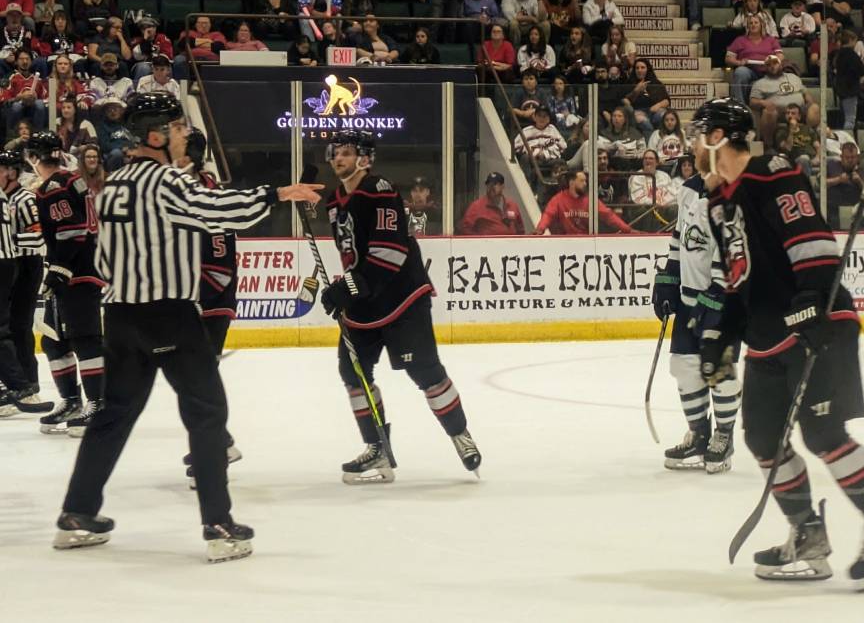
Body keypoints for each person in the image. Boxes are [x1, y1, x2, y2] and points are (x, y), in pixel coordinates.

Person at [53, 92, 323, 561]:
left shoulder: (112, 186)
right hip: (169, 317)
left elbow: (102, 257)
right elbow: (222, 212)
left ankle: (76, 514)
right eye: (177, 129)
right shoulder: (166, 182)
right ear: (155, 135)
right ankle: (219, 525)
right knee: (206, 412)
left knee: (113, 415)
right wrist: (278, 192)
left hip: (119, 317)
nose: (182, 136)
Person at [689, 98, 864, 589]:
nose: (692, 145)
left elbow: (812, 243)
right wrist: (723, 333)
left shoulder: (774, 172)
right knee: (762, 440)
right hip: (770, 338)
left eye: (699, 134)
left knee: (824, 435)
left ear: (720, 138)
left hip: (819, 326)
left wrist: (812, 300)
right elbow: (738, 278)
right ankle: (808, 534)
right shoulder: (717, 201)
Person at [319, 130, 482, 485]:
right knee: (354, 374)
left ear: (364, 158)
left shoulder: (380, 191)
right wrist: (345, 289)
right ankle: (376, 446)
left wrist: (343, 288)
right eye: (335, 152)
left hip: (400, 297)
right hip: (364, 301)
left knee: (425, 373)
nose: (338, 159)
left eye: (346, 152)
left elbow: (389, 254)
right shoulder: (333, 201)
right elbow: (353, 256)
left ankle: (459, 434)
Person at [651, 154, 740, 473]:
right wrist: (668, 279)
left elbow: (733, 251)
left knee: (718, 369)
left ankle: (724, 436)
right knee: (684, 366)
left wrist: (715, 296)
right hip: (690, 301)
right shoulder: (688, 189)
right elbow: (679, 238)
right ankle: (700, 435)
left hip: (722, 301)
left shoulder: (735, 195)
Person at [22, 130, 100, 436]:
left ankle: (98, 403)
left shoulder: (54, 187)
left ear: (36, 157)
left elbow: (72, 231)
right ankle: (71, 401)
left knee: (85, 339)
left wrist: (59, 270)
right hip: (71, 271)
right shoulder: (71, 179)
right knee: (53, 340)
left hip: (77, 274)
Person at [180, 128, 244, 486]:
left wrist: (196, 300)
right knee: (192, 379)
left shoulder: (209, 192)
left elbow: (220, 262)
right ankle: (219, 442)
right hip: (192, 298)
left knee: (197, 379)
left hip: (210, 301)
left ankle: (217, 449)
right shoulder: (182, 188)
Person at [0, 147, 51, 416]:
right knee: (10, 325)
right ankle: (13, 384)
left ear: (11, 172)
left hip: (26, 266)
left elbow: (36, 237)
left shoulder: (24, 199)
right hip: (13, 264)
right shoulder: (6, 197)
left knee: (19, 325)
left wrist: (9, 246)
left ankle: (28, 382)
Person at [535, 169, 632, 234]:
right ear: (572, 182)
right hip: (565, 244)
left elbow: (608, 215)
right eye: (582, 181)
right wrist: (540, 229)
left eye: (585, 181)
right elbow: (548, 215)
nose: (585, 184)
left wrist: (627, 229)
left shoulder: (590, 200)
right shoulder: (558, 199)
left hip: (586, 242)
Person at [749, 54, 810, 152]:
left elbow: (805, 93)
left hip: (799, 111)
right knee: (769, 111)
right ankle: (769, 146)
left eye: (775, 63)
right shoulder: (760, 83)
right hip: (779, 112)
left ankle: (814, 139)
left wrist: (810, 104)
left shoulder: (793, 77)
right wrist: (763, 102)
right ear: (765, 68)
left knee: (814, 108)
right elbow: (752, 102)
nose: (772, 66)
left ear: (780, 64)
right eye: (769, 65)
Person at [726, 15, 782, 104]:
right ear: (747, 26)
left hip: (767, 70)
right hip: (749, 70)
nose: (753, 25)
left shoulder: (771, 40)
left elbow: (780, 56)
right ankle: (740, 106)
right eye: (750, 23)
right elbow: (728, 59)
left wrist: (773, 62)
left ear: (761, 25)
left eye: (756, 22)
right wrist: (739, 62)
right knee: (740, 72)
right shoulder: (740, 40)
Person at [458, 171, 525, 235]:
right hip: (487, 245)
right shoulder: (477, 206)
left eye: (495, 184)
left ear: (502, 186)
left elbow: (520, 230)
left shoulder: (512, 205)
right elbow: (464, 229)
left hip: (511, 245)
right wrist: (480, 241)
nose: (491, 187)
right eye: (489, 184)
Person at [833, 29, 864, 130]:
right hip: (850, 89)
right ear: (850, 40)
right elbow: (860, 70)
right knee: (850, 119)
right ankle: (846, 140)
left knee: (846, 117)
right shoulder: (851, 55)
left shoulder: (839, 54)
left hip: (842, 88)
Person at [624, 58, 669, 134]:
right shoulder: (629, 83)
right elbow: (625, 100)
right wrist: (636, 91)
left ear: (648, 69)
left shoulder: (656, 83)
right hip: (637, 112)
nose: (639, 70)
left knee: (663, 115)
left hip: (654, 111)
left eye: (642, 67)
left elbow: (667, 100)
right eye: (637, 68)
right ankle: (650, 144)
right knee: (646, 124)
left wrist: (658, 105)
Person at [128, 18, 173, 83]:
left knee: (166, 68)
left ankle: (165, 90)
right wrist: (145, 40)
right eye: (143, 28)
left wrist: (155, 64)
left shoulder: (162, 38)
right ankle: (139, 91)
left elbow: (168, 56)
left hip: (159, 64)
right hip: (142, 65)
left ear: (155, 28)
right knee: (143, 67)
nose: (147, 30)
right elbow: (137, 57)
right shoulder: (136, 40)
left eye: (149, 27)